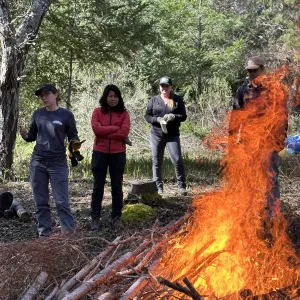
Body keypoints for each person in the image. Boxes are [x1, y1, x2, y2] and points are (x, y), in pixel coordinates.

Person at [20, 84, 81, 237]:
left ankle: (68, 236)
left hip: (58, 163)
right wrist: (25, 136)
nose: (44, 98)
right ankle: (44, 237)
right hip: (38, 162)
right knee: (41, 203)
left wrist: (75, 146)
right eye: (41, 96)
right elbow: (32, 136)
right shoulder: (38, 114)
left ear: (56, 94)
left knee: (61, 202)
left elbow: (73, 135)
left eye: (46, 94)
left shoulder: (66, 115)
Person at [229, 56, 288, 218]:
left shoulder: (276, 89)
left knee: (271, 178)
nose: (252, 74)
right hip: (248, 142)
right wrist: (232, 140)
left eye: (255, 70)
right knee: (248, 178)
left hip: (269, 142)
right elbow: (236, 116)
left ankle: (273, 212)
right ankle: (248, 211)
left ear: (262, 69)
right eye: (249, 71)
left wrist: (280, 141)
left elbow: (282, 117)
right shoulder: (242, 91)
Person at [90, 84, 130, 231]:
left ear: (119, 98)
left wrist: (105, 131)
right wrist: (115, 129)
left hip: (118, 154)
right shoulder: (97, 112)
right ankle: (95, 217)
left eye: (115, 96)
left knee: (117, 187)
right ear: (105, 97)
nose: (113, 99)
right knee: (98, 186)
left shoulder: (124, 114)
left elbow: (123, 133)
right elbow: (96, 130)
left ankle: (116, 217)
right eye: (110, 96)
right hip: (99, 153)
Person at [145, 76, 187, 196]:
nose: (164, 88)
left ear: (171, 87)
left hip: (172, 135)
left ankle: (182, 186)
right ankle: (158, 188)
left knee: (177, 159)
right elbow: (147, 116)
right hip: (156, 135)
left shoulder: (177, 99)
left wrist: (174, 117)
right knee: (157, 161)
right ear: (159, 87)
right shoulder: (154, 100)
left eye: (167, 86)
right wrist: (157, 119)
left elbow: (183, 116)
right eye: (162, 86)